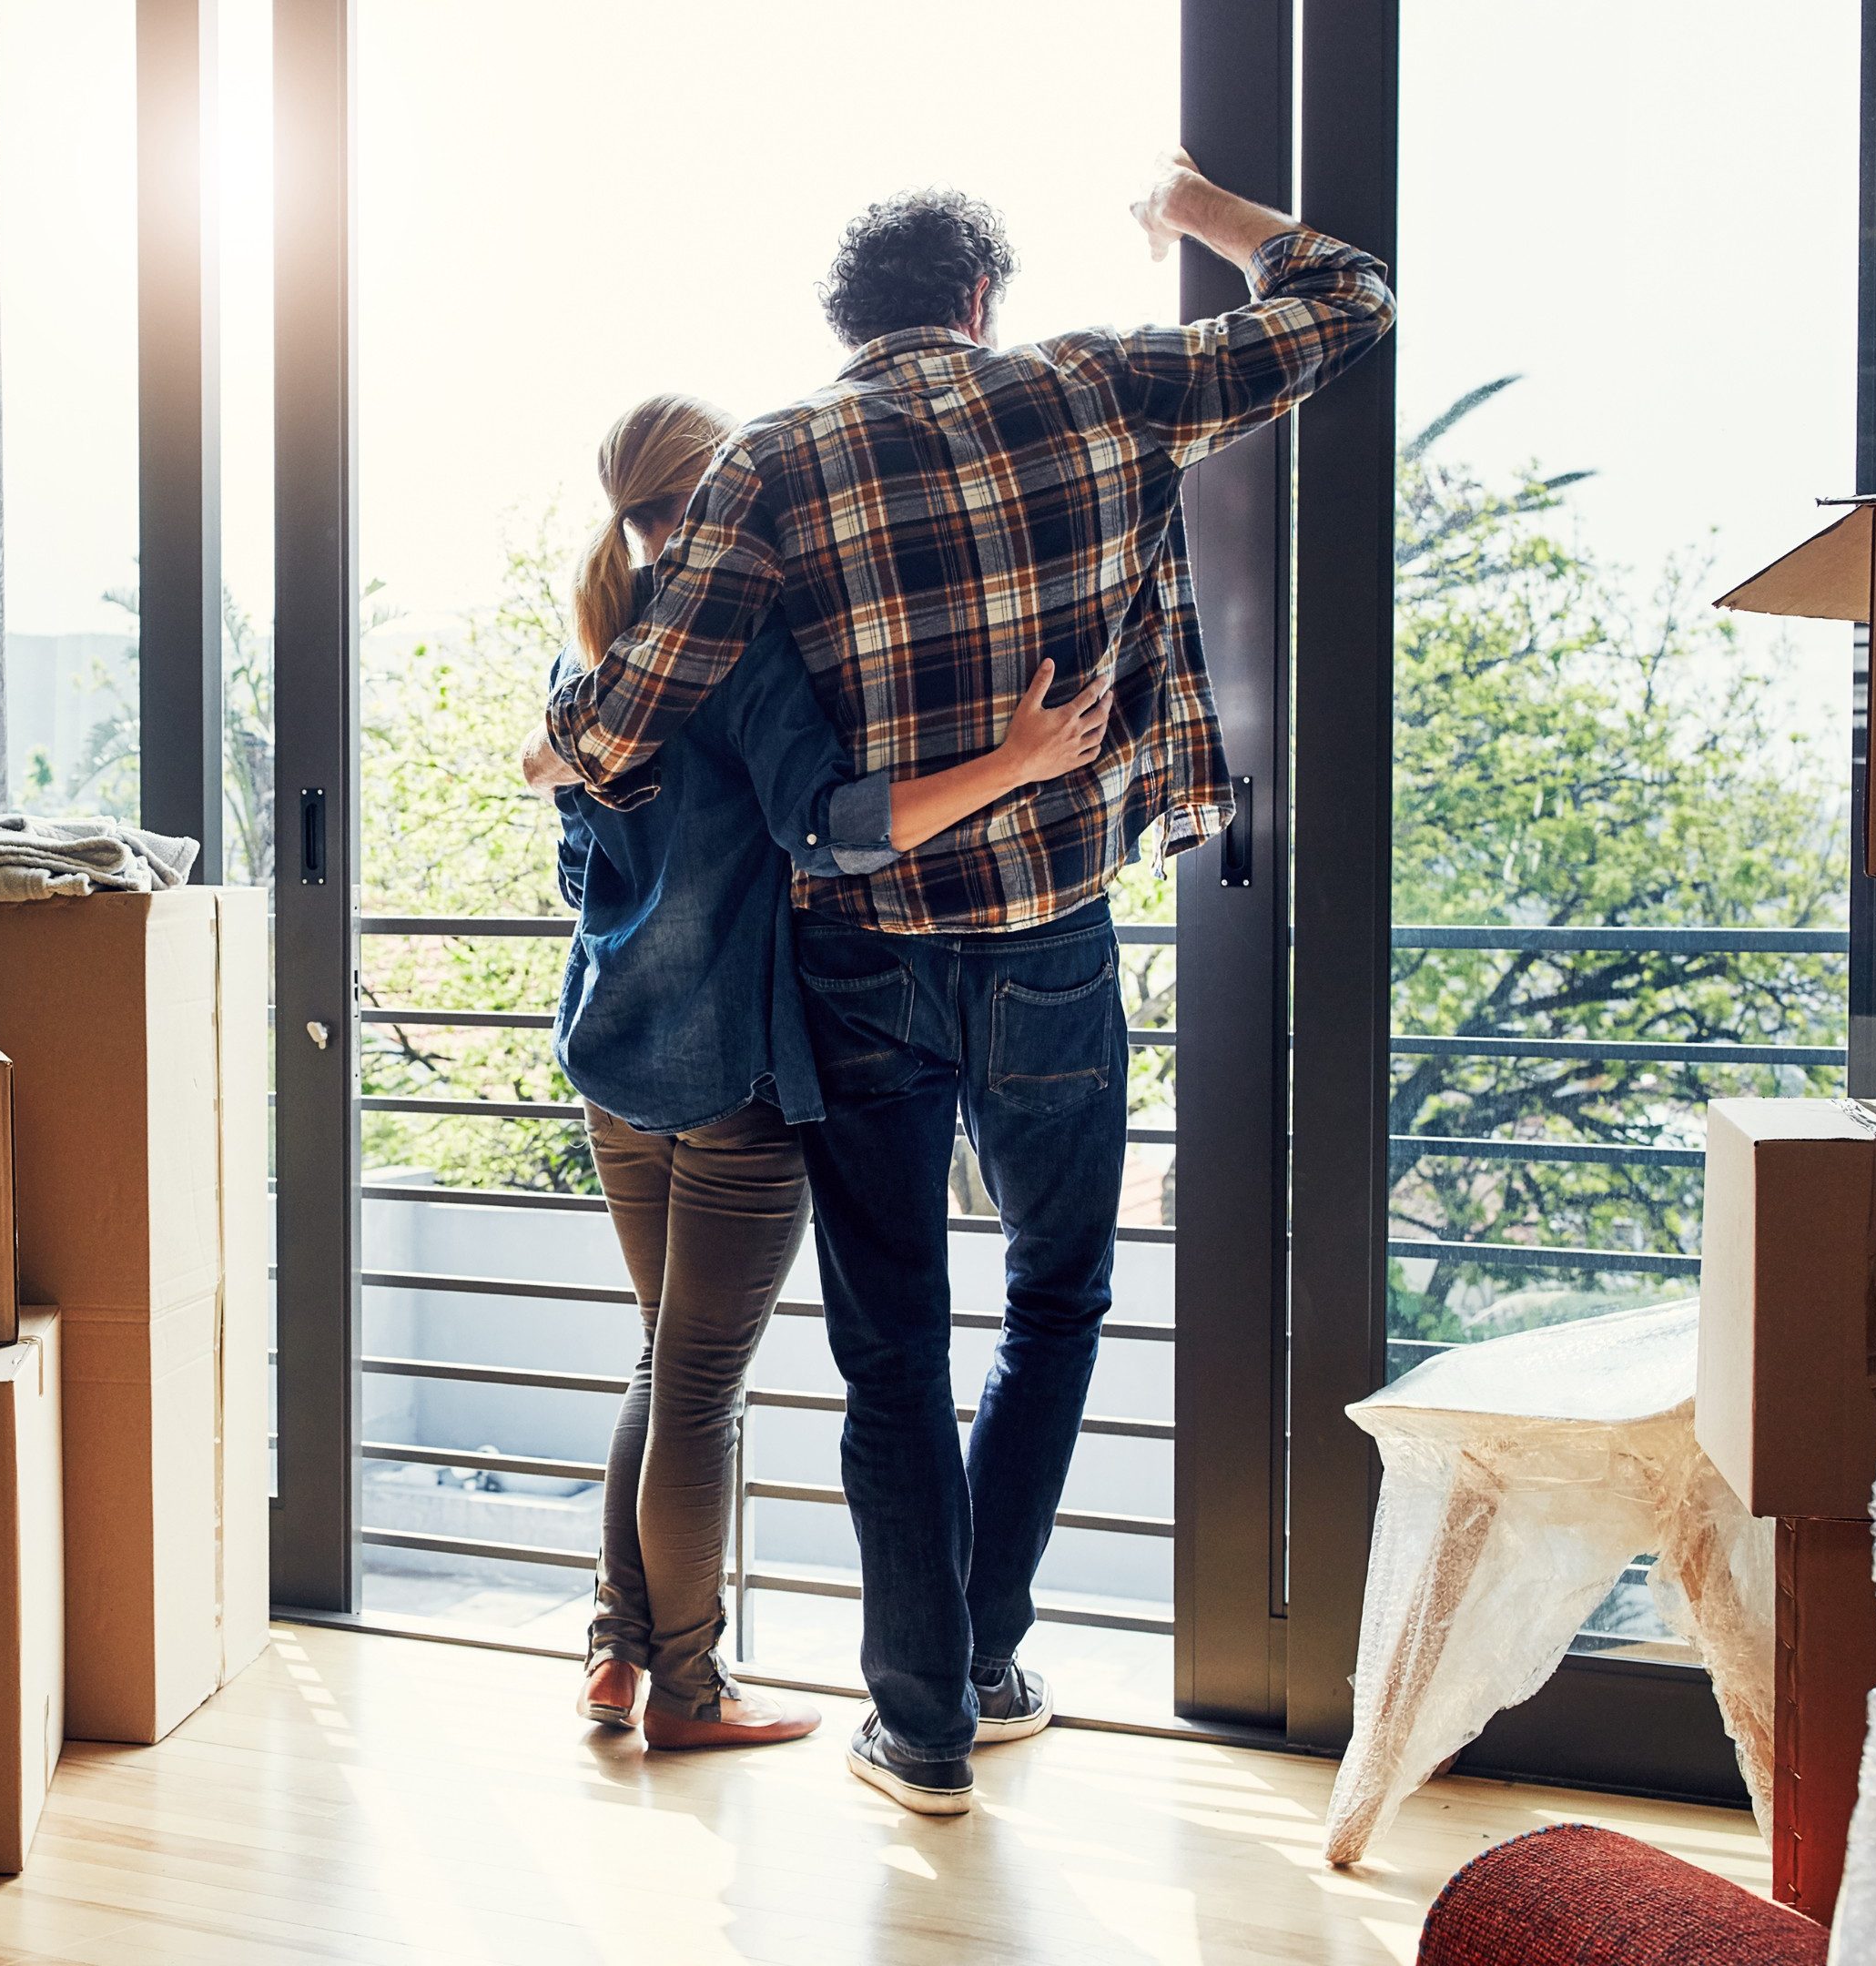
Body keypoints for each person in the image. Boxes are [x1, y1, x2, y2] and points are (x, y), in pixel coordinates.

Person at [540, 154, 1395, 1815]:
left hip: (863, 963)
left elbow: (613, 729)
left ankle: (922, 1727)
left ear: (845, 322)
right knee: (1057, 1296)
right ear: (980, 301)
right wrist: (1202, 214)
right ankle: (989, 1655)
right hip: (1053, 940)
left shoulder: (772, 467)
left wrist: (563, 737)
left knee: (890, 1352)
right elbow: (1348, 298)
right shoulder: (1098, 383)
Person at [532, 394, 1111, 1752]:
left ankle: (618, 1658)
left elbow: (580, 866)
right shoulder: (742, 651)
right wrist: (1017, 759)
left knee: (663, 1365)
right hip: (732, 1077)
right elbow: (830, 828)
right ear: (727, 493)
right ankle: (686, 1689)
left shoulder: (601, 660)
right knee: (700, 1385)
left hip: (612, 1061)